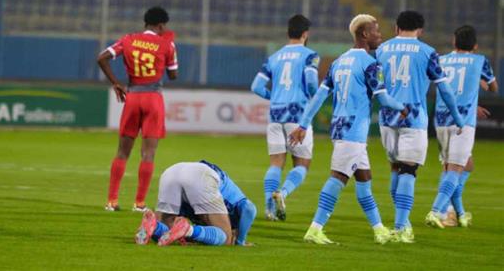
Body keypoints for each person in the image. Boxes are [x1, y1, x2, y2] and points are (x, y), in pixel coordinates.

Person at [294, 14, 408, 245]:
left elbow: (319, 96)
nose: (379, 35)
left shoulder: (339, 61)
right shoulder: (370, 64)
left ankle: (379, 229)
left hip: (340, 126)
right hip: (353, 130)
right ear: (365, 34)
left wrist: (304, 123)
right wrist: (402, 107)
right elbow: (384, 99)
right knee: (338, 177)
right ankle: (315, 229)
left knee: (364, 179)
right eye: (376, 31)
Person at [375, 11, 466, 242]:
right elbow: (444, 89)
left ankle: (403, 224)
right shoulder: (427, 52)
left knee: (395, 169)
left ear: (396, 27)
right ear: (421, 30)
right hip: (414, 119)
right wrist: (457, 115)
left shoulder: (382, 50)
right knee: (408, 171)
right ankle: (400, 227)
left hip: (387, 119)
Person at [97, 6, 178, 212]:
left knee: (122, 152)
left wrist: (116, 82)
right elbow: (173, 74)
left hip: (132, 96)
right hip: (153, 99)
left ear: (145, 23)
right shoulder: (167, 44)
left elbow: (102, 58)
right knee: (148, 154)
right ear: (161, 25)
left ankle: (111, 201)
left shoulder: (128, 39)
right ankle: (139, 203)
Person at [426, 25, 498, 228]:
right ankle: (439, 211)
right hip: (463, 121)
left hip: (441, 119)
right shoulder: (479, 60)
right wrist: (481, 83)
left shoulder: (441, 59)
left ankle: (458, 213)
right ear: (475, 45)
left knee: (463, 165)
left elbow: (447, 86)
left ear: (453, 42)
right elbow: (493, 88)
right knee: (455, 168)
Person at [251, 14, 319, 221]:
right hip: (297, 115)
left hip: (275, 114)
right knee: (301, 164)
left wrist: (275, 97)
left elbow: (256, 87)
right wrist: (312, 98)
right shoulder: (310, 55)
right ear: (306, 34)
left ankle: (269, 209)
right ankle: (283, 193)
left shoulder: (274, 57)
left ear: (288, 32)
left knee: (275, 164)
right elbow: (311, 83)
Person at [134, 160, 256, 246]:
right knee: (226, 238)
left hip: (171, 172)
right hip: (201, 176)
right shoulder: (234, 204)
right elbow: (250, 209)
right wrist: (240, 241)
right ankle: (188, 230)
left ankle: (153, 226)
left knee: (167, 233)